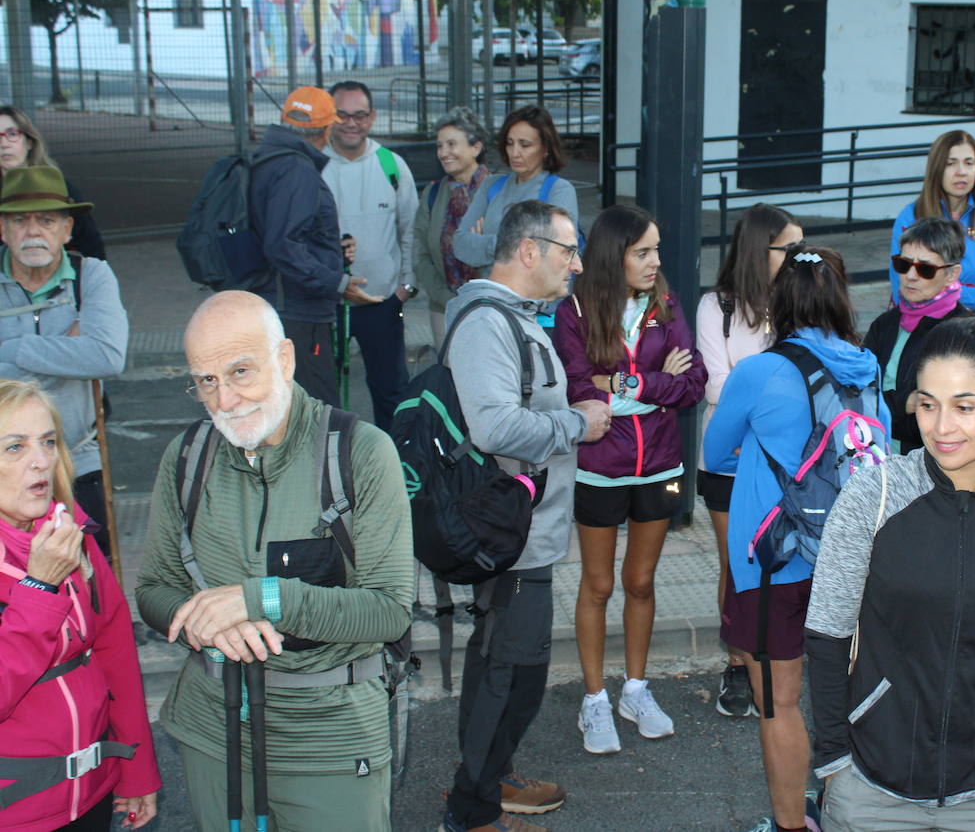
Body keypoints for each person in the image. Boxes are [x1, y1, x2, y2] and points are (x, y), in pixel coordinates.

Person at [135, 290, 413, 830]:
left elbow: (389, 612)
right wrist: (208, 624)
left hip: (332, 738)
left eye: (241, 371)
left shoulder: (362, 452)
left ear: (284, 358)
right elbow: (153, 589)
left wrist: (260, 599)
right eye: (207, 382)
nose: (226, 399)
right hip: (212, 732)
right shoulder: (186, 458)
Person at [806, 314, 975, 832]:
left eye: (964, 406)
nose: (941, 426)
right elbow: (827, 634)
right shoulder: (875, 493)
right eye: (928, 404)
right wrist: (836, 764)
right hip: (871, 789)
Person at [439, 200, 612, 832]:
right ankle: (473, 810)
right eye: (569, 251)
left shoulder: (512, 316)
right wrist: (578, 423)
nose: (577, 265)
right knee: (512, 675)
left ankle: (489, 781)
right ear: (530, 251)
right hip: (511, 538)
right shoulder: (488, 322)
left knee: (502, 667)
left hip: (522, 533)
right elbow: (493, 426)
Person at [704, 244, 889, 832]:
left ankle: (790, 825)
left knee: (779, 703)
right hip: (852, 558)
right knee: (850, 696)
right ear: (840, 299)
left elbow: (714, 452)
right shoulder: (868, 365)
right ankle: (853, 815)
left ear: (779, 302)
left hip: (774, 561)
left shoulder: (762, 371)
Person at [552, 205, 707, 755]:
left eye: (657, 250)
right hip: (599, 468)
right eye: (643, 252)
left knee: (641, 582)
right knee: (598, 586)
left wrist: (622, 383)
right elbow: (576, 388)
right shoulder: (572, 309)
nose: (654, 262)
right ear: (612, 254)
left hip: (660, 467)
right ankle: (595, 698)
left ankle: (635, 690)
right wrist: (648, 384)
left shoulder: (666, 304)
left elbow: (694, 385)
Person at [0, 380, 160, 830]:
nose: (41, 460)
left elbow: (116, 656)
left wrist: (136, 769)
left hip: (92, 796)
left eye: (48, 441)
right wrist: (39, 586)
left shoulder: (70, 536)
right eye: (14, 447)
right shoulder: (56, 554)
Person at [696, 203, 803, 718]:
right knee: (736, 563)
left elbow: (804, 375)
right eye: (791, 247)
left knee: (786, 562)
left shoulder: (798, 302)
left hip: (785, 461)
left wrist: (751, 388)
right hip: (727, 461)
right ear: (762, 249)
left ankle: (778, 658)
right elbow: (715, 384)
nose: (800, 256)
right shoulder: (714, 306)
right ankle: (738, 664)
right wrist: (770, 393)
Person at [0, 166, 128, 557]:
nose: (34, 231)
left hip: (78, 457)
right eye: (20, 221)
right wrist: (67, 350)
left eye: (47, 220)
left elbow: (107, 356)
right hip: (5, 464)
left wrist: (14, 347)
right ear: (2, 230)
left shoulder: (92, 276)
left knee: (93, 571)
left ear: (67, 229)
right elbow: (87, 354)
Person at [248, 86, 376, 407]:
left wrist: (330, 248)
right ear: (327, 128)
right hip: (298, 313)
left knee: (286, 408)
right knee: (316, 409)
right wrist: (337, 281)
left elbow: (283, 232)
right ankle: (321, 460)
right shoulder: (296, 170)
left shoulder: (270, 160)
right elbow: (283, 245)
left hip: (278, 303)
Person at [322, 80, 420, 431]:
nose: (351, 123)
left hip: (382, 302)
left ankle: (397, 473)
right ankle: (328, 470)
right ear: (329, 118)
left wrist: (406, 287)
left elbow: (412, 230)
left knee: (391, 392)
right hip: (328, 304)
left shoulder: (390, 165)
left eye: (360, 115)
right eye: (342, 115)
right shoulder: (315, 165)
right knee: (322, 396)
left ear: (373, 117)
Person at [865, 217, 969, 454]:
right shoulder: (885, 324)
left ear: (952, 274)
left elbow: (938, 420)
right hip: (876, 457)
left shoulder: (962, 333)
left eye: (925, 268)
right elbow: (859, 397)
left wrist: (886, 410)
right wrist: (904, 403)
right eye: (904, 264)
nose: (911, 275)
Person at [889, 129, 975, 312]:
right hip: (922, 333)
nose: (961, 172)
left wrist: (937, 289)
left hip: (973, 333)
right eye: (950, 163)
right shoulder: (910, 217)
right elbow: (903, 293)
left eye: (969, 163)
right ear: (936, 169)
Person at [453, 105, 579, 281]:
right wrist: (522, 242)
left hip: (539, 305)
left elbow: (554, 254)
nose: (515, 153)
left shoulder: (559, 191)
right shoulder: (491, 186)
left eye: (525, 145)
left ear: (545, 149)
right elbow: (460, 245)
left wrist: (485, 242)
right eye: (510, 143)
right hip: (491, 299)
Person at [413, 106, 492, 345]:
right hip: (443, 308)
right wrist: (446, 298)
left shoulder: (498, 192)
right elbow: (420, 254)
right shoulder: (433, 194)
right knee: (449, 375)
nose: (443, 152)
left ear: (476, 147)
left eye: (451, 144)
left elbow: (506, 253)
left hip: (490, 308)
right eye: (439, 146)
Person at [0, 105, 105, 259]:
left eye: (12, 134)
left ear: (29, 142)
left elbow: (91, 245)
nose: (4, 144)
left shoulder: (60, 189)